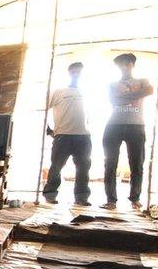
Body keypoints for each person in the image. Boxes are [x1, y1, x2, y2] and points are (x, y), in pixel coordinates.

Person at [103, 53, 153, 209]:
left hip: (136, 126)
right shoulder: (111, 84)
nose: (123, 67)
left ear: (132, 65)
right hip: (114, 125)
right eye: (120, 65)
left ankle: (135, 199)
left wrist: (122, 97)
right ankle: (111, 200)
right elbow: (113, 99)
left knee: (137, 164)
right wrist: (136, 94)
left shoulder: (143, 81)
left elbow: (150, 90)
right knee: (110, 163)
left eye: (126, 64)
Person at [43, 62, 92, 206]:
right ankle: (50, 194)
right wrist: (49, 130)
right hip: (63, 136)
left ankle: (81, 198)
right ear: (69, 73)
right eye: (75, 72)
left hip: (83, 136)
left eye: (80, 72)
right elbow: (42, 110)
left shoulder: (88, 92)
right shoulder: (59, 92)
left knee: (83, 168)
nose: (77, 74)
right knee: (56, 166)